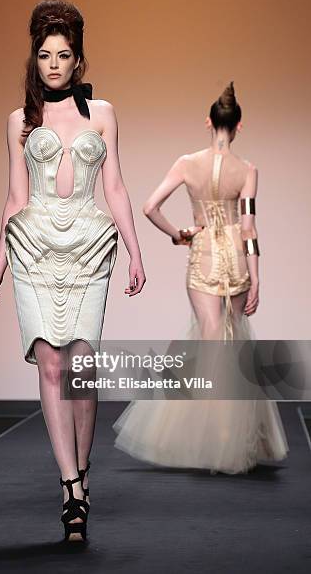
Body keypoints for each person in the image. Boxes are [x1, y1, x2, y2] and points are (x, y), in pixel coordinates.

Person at [0, 0, 145, 541]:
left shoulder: (103, 114)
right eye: (45, 54)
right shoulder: (19, 120)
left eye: (64, 54)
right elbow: (13, 198)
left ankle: (84, 470)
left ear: (78, 60)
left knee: (82, 370)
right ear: (37, 57)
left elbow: (115, 186)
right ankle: (70, 485)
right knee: (50, 365)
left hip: (90, 247)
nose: (54, 63)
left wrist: (135, 251)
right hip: (34, 248)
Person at [113, 82, 288, 475]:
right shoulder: (247, 170)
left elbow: (149, 206)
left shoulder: (185, 163)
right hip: (236, 259)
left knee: (208, 340)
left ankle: (208, 439)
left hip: (204, 251)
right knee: (233, 341)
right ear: (239, 126)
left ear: (209, 122)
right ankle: (231, 437)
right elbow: (248, 230)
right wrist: (257, 278)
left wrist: (180, 233)